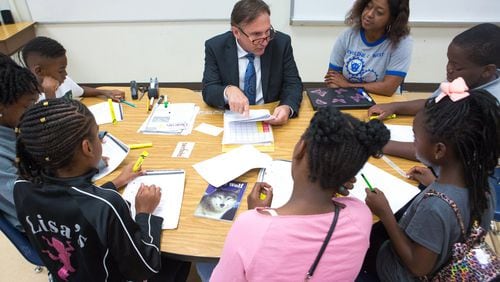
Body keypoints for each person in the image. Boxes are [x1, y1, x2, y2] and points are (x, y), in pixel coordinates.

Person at [210, 106, 390, 281]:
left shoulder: (250, 226)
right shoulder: (361, 215)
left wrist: (256, 214)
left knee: (206, 265)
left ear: (300, 149)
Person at [14, 98, 163, 281]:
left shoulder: (21, 187)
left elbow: (75, 204)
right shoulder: (108, 205)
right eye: (98, 135)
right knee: (177, 264)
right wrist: (145, 214)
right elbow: (144, 269)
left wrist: (115, 183)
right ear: (88, 147)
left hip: (64, 275)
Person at [365, 87, 498, 281]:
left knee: (369, 235)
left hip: (404, 273)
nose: (414, 142)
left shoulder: (435, 207)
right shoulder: (484, 185)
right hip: (450, 260)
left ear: (439, 150)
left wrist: (385, 214)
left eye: (415, 137)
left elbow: (418, 266)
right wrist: (434, 183)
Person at [368, 23, 500, 160]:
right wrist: (396, 107)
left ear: (487, 70)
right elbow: (435, 102)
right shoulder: (466, 78)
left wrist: (379, 144)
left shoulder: (486, 105)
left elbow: (436, 152)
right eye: (449, 61)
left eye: (457, 67)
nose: (449, 69)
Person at [202, 0, 303, 125]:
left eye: (267, 32)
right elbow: (209, 89)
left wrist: (287, 107)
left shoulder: (280, 43)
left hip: (270, 116)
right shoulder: (216, 47)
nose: (265, 41)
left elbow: (293, 84)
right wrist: (228, 90)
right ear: (236, 32)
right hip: (234, 118)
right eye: (256, 34)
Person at [325, 0, 412, 96]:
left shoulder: (402, 41)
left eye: (379, 12)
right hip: (347, 97)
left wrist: (348, 85)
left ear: (392, 19)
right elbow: (332, 79)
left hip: (385, 103)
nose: (369, 14)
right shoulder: (348, 35)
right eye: (368, 6)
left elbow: (388, 88)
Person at [0, 55, 40, 231]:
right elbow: (35, 206)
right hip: (43, 229)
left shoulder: (14, 125)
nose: (34, 112)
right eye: (28, 106)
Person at [21, 36, 125, 101]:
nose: (65, 74)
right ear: (39, 71)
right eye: (61, 70)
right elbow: (51, 126)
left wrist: (104, 92)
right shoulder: (30, 100)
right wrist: (50, 94)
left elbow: (80, 90)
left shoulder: (62, 81)